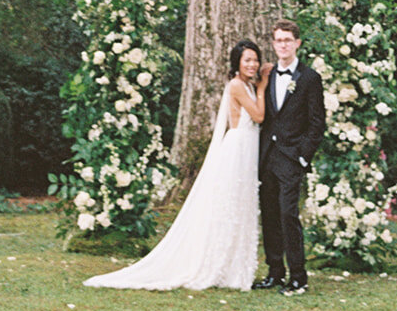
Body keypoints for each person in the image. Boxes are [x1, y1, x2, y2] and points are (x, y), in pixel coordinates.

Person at [84, 39, 265, 291]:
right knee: (230, 205)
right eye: (247, 59)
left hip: (248, 148)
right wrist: (264, 86)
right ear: (237, 63)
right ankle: (219, 265)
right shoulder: (236, 85)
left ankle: (235, 267)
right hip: (238, 147)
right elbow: (258, 115)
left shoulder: (247, 85)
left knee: (240, 205)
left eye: (255, 59)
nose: (252, 64)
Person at [253, 20, 326, 295]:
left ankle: (298, 276)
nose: (282, 44)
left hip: (292, 158)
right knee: (270, 215)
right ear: (273, 44)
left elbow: (317, 124)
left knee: (287, 214)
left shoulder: (309, 78)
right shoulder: (267, 75)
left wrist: (302, 157)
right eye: (278, 40)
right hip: (268, 158)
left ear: (297, 43)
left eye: (287, 40)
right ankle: (275, 272)